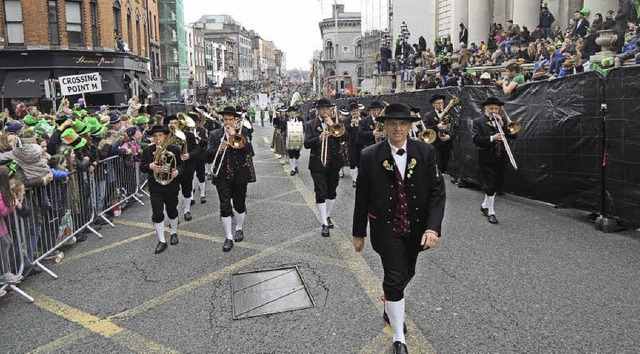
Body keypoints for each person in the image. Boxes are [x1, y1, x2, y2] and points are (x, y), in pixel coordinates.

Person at [352, 103, 446, 354]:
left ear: (410, 126)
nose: (397, 128)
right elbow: (362, 195)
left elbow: (438, 192)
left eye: (402, 123)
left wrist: (432, 228)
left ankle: (390, 301)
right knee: (394, 277)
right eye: (391, 123)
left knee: (407, 273)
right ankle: (398, 338)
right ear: (383, 127)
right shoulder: (369, 154)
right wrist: (358, 232)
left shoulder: (426, 152)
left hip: (416, 227)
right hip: (385, 227)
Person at [206, 106, 254, 252]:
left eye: (230, 119)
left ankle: (239, 227)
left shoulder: (242, 132)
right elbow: (207, 155)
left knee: (239, 206)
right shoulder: (215, 134)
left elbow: (250, 152)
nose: (227, 122)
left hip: (240, 175)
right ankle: (228, 237)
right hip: (222, 176)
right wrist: (218, 150)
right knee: (225, 206)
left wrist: (235, 137)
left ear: (235, 120)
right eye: (225, 119)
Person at [471, 97, 518, 224]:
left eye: (496, 108)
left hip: (500, 156)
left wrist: (503, 125)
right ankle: (491, 211)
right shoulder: (478, 122)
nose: (494, 111)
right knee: (490, 184)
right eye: (491, 108)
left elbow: (513, 135)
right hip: (486, 156)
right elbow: (476, 139)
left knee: (497, 183)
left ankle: (484, 205)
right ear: (485, 108)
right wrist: (493, 137)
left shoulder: (501, 120)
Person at [304, 98, 346, 237]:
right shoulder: (311, 124)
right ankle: (324, 223)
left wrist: (333, 125)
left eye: (326, 109)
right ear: (318, 110)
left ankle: (327, 215)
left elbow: (347, 138)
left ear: (330, 110)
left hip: (334, 163)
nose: (324, 111)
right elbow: (306, 144)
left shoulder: (337, 124)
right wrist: (319, 138)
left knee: (331, 192)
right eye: (321, 109)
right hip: (317, 163)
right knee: (321, 192)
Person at [140, 125, 184, 254]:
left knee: (172, 210)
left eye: (160, 135)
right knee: (157, 213)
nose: (157, 138)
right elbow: (142, 167)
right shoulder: (148, 150)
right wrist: (150, 166)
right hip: (156, 186)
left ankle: (174, 232)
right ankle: (161, 240)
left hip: (171, 185)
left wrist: (177, 172)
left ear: (165, 136)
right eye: (155, 136)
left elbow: (182, 165)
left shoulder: (174, 149)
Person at [282, 106, 303, 176]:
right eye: (290, 111)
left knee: (297, 154)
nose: (292, 113)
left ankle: (295, 166)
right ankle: (293, 169)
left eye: (293, 111)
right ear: (289, 113)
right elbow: (282, 128)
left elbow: (303, 128)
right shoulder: (286, 120)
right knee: (291, 154)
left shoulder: (300, 119)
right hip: (289, 139)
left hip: (298, 139)